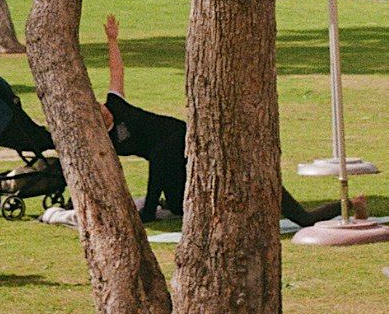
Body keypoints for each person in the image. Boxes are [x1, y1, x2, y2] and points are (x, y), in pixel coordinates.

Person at [99, 14, 357, 225]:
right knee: (178, 206)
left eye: (102, 107)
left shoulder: (116, 104)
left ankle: (351, 204)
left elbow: (117, 71)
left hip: (179, 138)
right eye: (101, 114)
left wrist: (112, 40)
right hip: (173, 160)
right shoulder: (102, 140)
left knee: (160, 156)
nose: (106, 110)